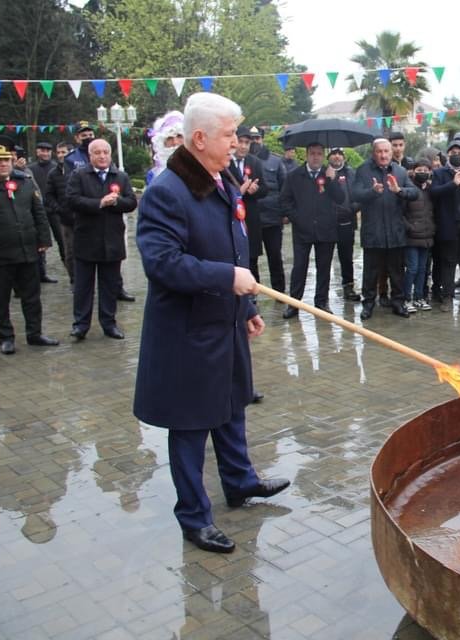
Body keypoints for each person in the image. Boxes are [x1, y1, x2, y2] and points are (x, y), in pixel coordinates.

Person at [134, 92, 290, 554]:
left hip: (224, 320)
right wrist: (228, 279)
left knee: (231, 405)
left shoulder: (221, 177)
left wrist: (248, 309)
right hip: (187, 333)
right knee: (190, 425)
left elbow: (233, 244)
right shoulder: (167, 191)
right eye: (228, 135)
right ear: (199, 138)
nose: (237, 143)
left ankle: (240, 482)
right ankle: (194, 517)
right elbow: (162, 264)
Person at [0, 135, 58, 355]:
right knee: (0, 299)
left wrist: (44, 240)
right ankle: (5, 338)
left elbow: (39, 213)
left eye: (6, 158)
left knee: (32, 297)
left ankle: (35, 334)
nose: (3, 163)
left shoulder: (24, 182)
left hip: (28, 251)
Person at [65, 139, 137, 340]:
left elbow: (131, 202)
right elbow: (71, 200)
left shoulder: (120, 177)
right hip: (86, 240)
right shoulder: (79, 175)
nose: (102, 156)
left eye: (105, 152)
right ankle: (81, 324)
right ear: (90, 156)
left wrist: (116, 202)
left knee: (109, 285)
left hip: (112, 241)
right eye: (97, 152)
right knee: (83, 287)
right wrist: (99, 203)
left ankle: (109, 323)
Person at [351, 138, 419, 320]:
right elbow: (355, 194)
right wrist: (372, 192)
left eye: (386, 151)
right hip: (373, 232)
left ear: (391, 153)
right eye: (379, 151)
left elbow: (415, 193)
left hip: (395, 232)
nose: (383, 155)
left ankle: (398, 302)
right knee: (370, 273)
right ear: (374, 153)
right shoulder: (363, 170)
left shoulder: (401, 171)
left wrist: (399, 191)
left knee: (397, 272)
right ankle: (368, 304)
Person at [278, 142, 345, 317]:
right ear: (307, 155)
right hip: (302, 230)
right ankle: (294, 303)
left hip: (326, 229)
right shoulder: (294, 176)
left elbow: (340, 198)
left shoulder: (329, 174)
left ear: (323, 156)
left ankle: (321, 302)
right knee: (299, 267)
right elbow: (285, 201)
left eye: (319, 154)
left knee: (324, 267)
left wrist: (331, 180)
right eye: (312, 154)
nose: (316, 157)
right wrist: (297, 218)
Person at [430, 138, 460, 311]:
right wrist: (453, 184)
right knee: (448, 263)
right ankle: (447, 297)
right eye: (453, 153)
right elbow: (433, 193)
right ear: (448, 154)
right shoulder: (439, 173)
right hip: (448, 225)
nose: (457, 156)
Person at [228, 126, 267, 285]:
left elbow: (265, 188)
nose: (243, 146)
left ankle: (253, 293)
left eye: (247, 142)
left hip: (250, 217)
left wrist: (254, 190)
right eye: (241, 142)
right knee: (233, 257)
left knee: (251, 259)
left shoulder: (255, 162)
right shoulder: (225, 161)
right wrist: (240, 191)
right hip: (230, 216)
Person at [251, 129, 288, 296]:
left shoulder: (276, 161)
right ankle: (253, 293)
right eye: (251, 138)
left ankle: (279, 292)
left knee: (275, 256)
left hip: (273, 217)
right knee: (251, 258)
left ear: (263, 139)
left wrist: (285, 213)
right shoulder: (244, 161)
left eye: (257, 138)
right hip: (251, 218)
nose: (255, 141)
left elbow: (285, 188)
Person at [327, 147, 361, 302]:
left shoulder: (351, 174)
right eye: (333, 154)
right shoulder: (323, 173)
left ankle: (348, 286)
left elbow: (359, 195)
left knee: (346, 257)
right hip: (327, 222)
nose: (336, 157)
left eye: (339, 154)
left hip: (346, 221)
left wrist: (352, 209)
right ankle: (323, 290)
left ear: (344, 157)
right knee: (324, 258)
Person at [28, 141, 62, 284]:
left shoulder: (56, 168)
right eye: (42, 150)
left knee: (62, 240)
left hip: (53, 210)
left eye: (48, 151)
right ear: (37, 152)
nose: (45, 153)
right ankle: (40, 273)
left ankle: (72, 272)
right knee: (39, 243)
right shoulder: (30, 169)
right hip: (36, 211)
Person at [403, 160, 435, 312]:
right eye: (419, 169)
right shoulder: (409, 189)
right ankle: (406, 298)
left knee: (423, 269)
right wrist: (409, 228)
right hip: (411, 237)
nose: (422, 172)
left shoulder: (430, 190)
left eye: (425, 170)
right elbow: (401, 213)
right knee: (412, 268)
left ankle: (419, 297)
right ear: (413, 171)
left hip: (427, 236)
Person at [43, 142, 74, 283]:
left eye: (64, 152)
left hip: (84, 216)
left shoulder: (80, 169)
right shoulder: (54, 173)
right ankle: (74, 280)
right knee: (69, 251)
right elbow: (48, 195)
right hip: (65, 218)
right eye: (59, 152)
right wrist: (59, 209)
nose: (61, 155)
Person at [145, 110, 184, 186]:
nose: (175, 142)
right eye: (169, 138)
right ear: (162, 142)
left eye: (179, 136)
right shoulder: (153, 175)